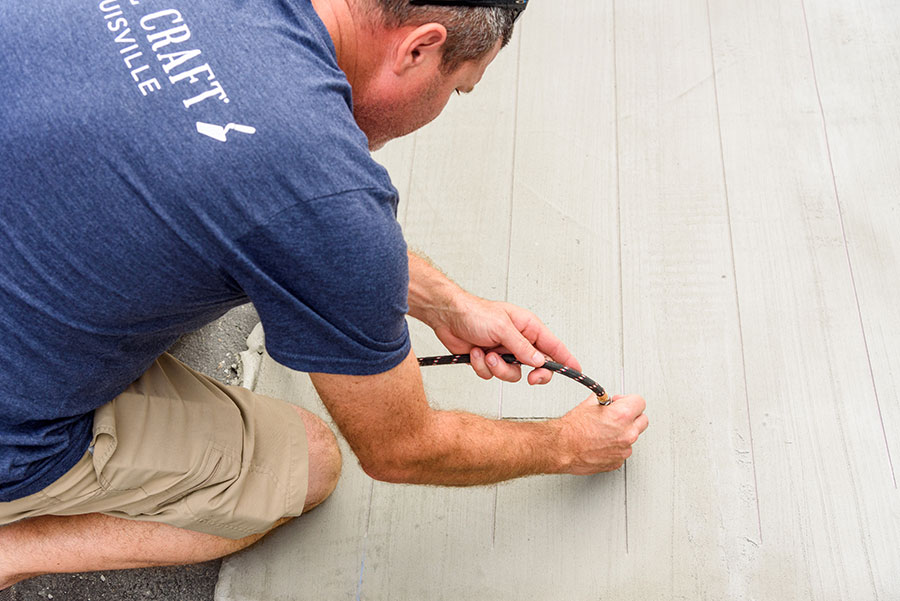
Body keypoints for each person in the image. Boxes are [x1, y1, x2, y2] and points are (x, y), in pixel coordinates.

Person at [0, 0, 648, 588]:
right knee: (308, 461)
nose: (450, 100)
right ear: (419, 48)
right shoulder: (319, 186)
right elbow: (402, 448)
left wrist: (446, 303)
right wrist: (567, 444)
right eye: (460, 87)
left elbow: (278, 214)